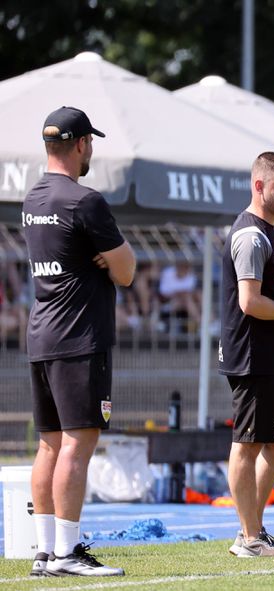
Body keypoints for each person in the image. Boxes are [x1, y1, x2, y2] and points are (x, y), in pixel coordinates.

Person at [23, 107, 135, 577]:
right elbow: (127, 272)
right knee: (78, 443)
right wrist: (107, 262)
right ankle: (68, 553)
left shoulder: (32, 198)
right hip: (78, 338)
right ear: (81, 144)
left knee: (49, 445)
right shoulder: (85, 201)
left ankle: (45, 551)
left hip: (41, 335)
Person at [219, 152, 274, 557]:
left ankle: (252, 527)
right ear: (259, 186)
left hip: (269, 352)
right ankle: (249, 537)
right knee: (247, 445)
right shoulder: (250, 235)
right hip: (251, 353)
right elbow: (250, 302)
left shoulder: (270, 231)